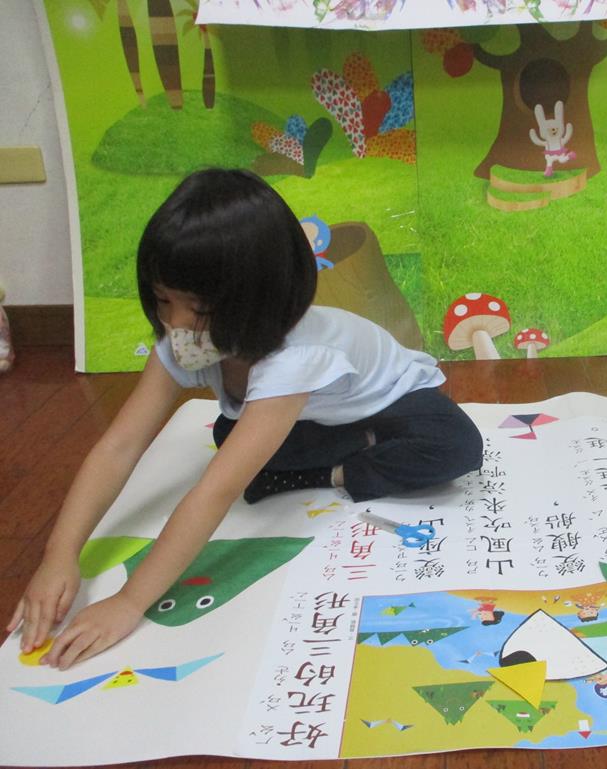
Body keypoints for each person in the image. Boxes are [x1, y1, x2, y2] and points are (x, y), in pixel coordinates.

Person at [6, 168, 484, 667]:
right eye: (164, 299)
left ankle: (336, 465)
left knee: (456, 447)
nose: (176, 322)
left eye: (198, 308)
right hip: (314, 414)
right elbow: (119, 445)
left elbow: (215, 491)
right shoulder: (186, 339)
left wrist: (129, 603)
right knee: (228, 432)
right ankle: (347, 447)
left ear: (261, 298)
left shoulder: (294, 357)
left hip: (392, 400)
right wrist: (59, 555)